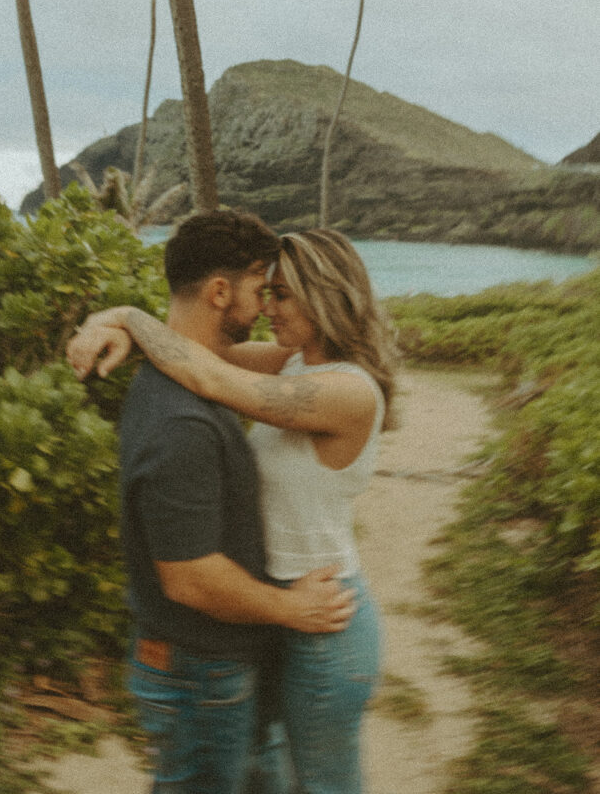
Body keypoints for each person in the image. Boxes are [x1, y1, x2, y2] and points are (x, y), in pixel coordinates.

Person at [69, 225, 399, 794]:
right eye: (265, 291)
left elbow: (205, 372)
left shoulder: (350, 391)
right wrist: (116, 325)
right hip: (286, 613)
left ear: (324, 298)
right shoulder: (293, 362)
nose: (269, 306)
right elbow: (195, 351)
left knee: (323, 787)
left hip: (324, 617)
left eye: (282, 294)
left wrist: (124, 313)